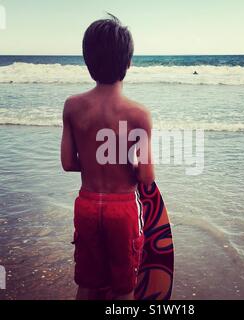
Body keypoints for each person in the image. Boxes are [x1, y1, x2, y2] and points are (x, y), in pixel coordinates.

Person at [60, 14, 155, 300]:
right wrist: (128, 165)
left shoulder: (73, 106)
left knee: (87, 283)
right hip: (122, 210)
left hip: (87, 206)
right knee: (123, 287)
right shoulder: (139, 114)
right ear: (128, 63)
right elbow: (147, 176)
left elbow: (67, 163)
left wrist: (93, 163)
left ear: (87, 61)